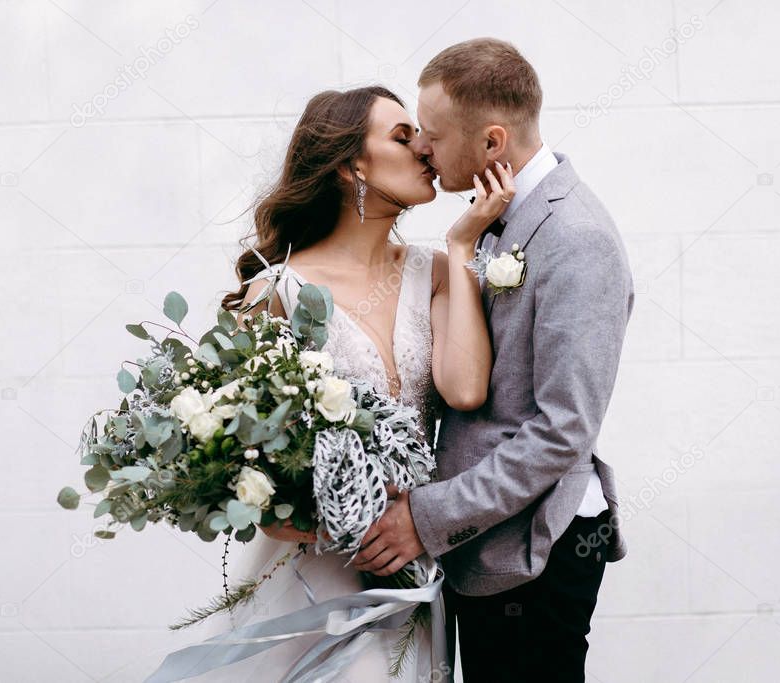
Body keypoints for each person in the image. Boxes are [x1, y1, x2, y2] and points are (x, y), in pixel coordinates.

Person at [175, 85, 515, 681]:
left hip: (412, 568)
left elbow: (464, 390)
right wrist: (331, 520)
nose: (426, 151)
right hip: (316, 574)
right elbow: (233, 466)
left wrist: (463, 244)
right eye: (403, 137)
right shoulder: (274, 293)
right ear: (351, 164)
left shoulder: (436, 271)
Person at [352, 38, 635, 682]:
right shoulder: (504, 220)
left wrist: (427, 518)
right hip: (490, 552)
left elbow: (563, 430)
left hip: (536, 555)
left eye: (433, 134)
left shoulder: (576, 238)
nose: (422, 148)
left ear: (492, 143)